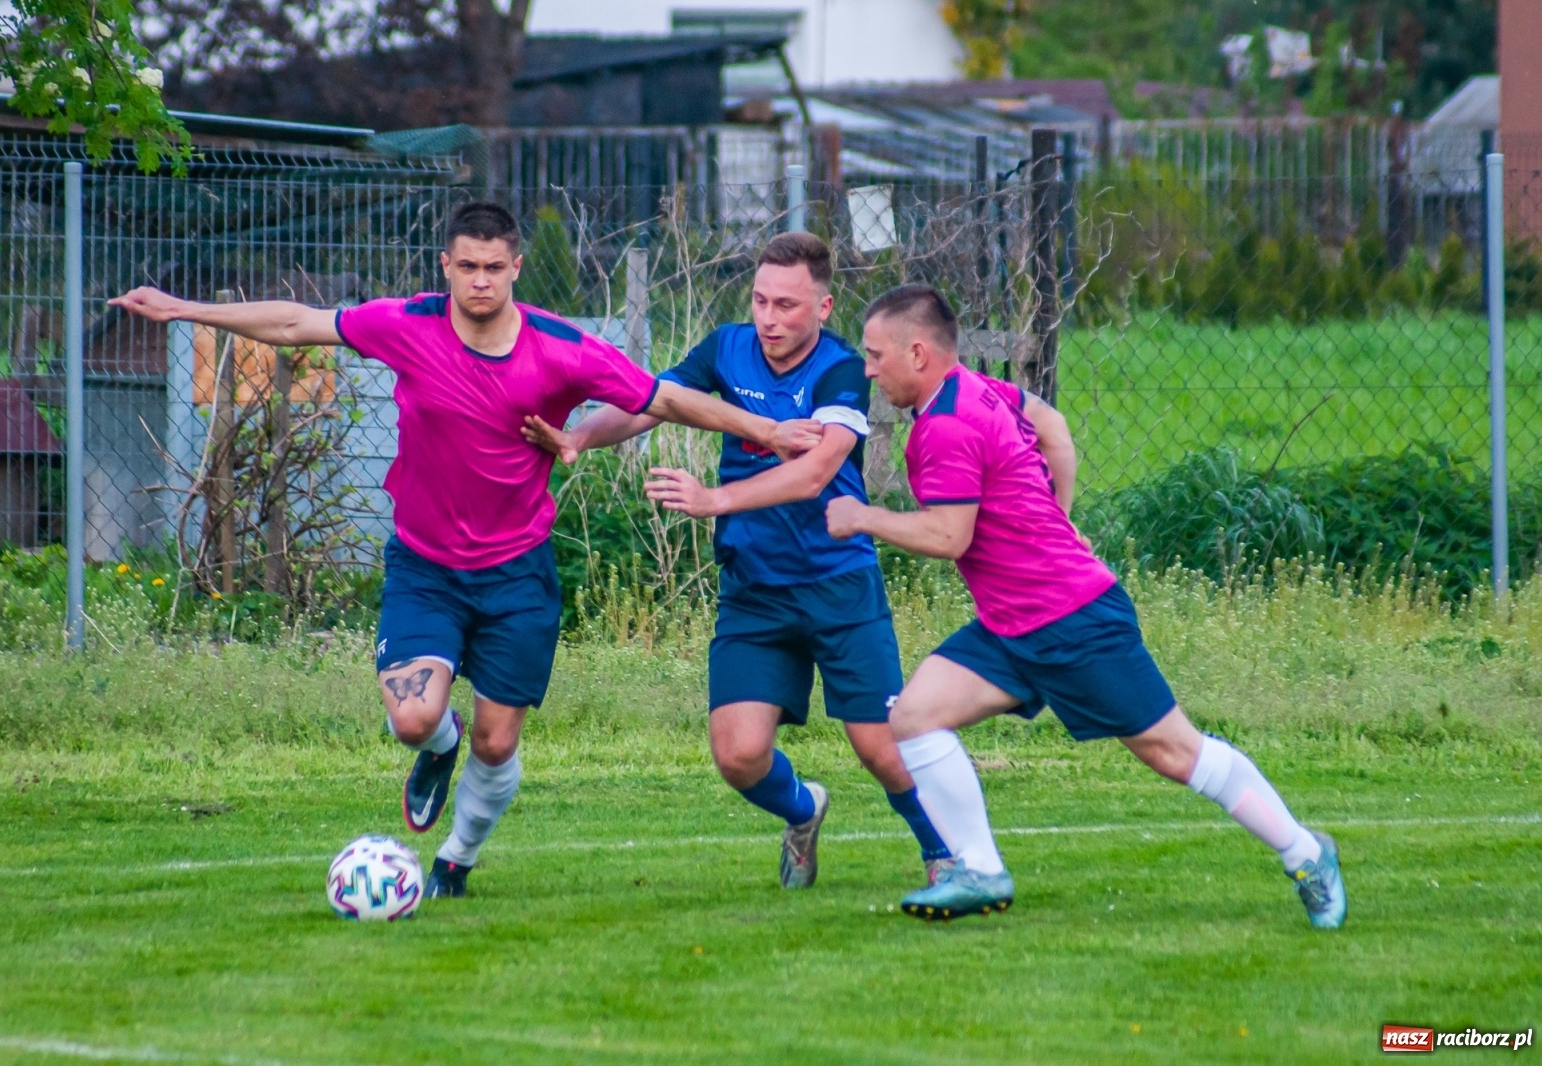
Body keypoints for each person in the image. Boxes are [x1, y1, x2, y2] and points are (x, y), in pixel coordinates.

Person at [109, 202, 821, 898]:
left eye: (494, 267)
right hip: (426, 569)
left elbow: (663, 399)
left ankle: (456, 859)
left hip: (518, 575)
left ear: (516, 267)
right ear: (446, 266)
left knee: (497, 743)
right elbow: (297, 323)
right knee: (414, 720)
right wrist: (183, 309)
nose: (481, 280)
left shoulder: (561, 347)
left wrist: (768, 432)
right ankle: (435, 749)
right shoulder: (407, 324)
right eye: (468, 267)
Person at [824, 283, 1348, 927]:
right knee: (914, 717)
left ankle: (1307, 854)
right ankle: (980, 870)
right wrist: (1058, 520)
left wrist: (861, 517)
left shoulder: (946, 425)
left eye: (876, 355)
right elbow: (1054, 428)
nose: (868, 368)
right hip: (1011, 625)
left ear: (919, 352)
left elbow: (948, 535)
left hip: (1074, 620)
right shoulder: (980, 388)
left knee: (1173, 752)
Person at [524, 233, 952, 888]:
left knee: (881, 749)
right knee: (739, 755)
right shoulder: (726, 349)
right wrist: (581, 435)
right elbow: (651, 401)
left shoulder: (841, 369)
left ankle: (943, 854)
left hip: (838, 584)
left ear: (824, 306)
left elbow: (816, 472)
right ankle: (805, 809)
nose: (770, 319)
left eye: (787, 305)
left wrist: (714, 498)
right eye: (760, 301)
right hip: (754, 590)